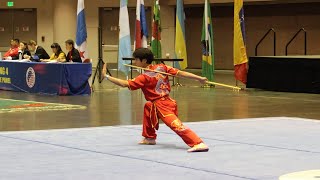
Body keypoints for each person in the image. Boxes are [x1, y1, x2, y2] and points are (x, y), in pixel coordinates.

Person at [101, 48, 209, 152]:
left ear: (143, 61)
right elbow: (180, 73)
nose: (134, 62)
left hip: (163, 105)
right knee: (148, 106)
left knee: (175, 125)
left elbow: (125, 84)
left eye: (136, 60)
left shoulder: (144, 77)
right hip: (161, 102)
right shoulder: (162, 67)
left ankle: (198, 143)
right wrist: (199, 78)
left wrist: (106, 76)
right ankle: (149, 138)